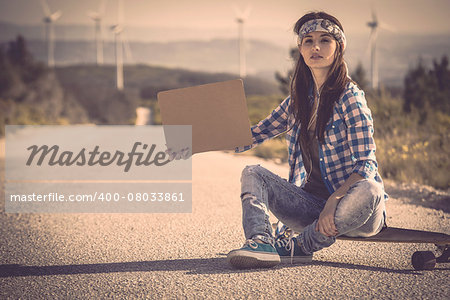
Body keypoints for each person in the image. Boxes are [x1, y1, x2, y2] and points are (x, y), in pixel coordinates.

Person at [227, 11, 388, 269]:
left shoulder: (350, 97)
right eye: (308, 40)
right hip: (312, 208)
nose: (316, 47)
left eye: (325, 40)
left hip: (355, 211)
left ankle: (301, 247)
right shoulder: (299, 100)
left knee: (371, 190)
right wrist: (194, 142)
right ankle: (262, 241)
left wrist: (334, 201)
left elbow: (367, 164)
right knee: (252, 172)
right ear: (300, 49)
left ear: (339, 47)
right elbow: (255, 134)